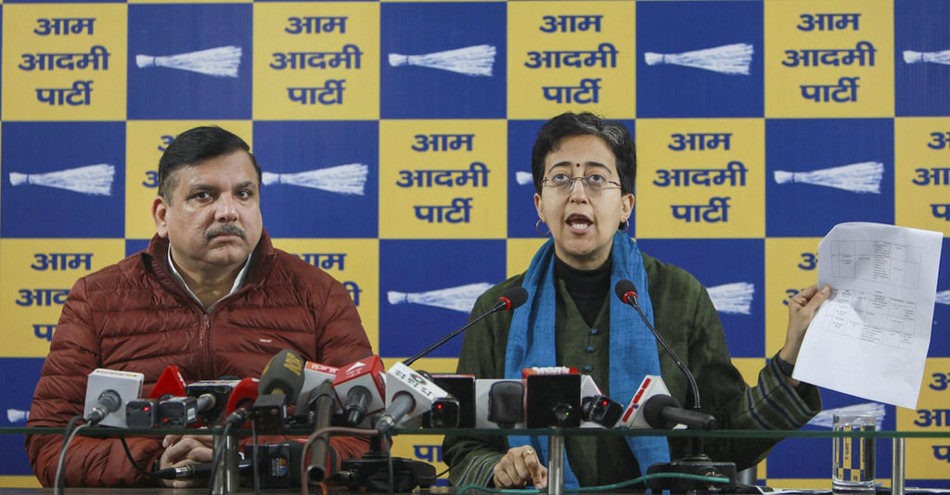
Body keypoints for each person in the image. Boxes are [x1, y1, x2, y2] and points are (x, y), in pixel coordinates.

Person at [443, 112, 829, 489]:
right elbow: (463, 446)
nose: (577, 193)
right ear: (540, 205)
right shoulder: (500, 309)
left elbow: (723, 437)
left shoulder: (679, 296)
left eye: (596, 178)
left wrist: (790, 360)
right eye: (560, 178)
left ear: (625, 205)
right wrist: (498, 468)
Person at [25, 126, 374, 487]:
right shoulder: (97, 298)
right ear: (163, 216)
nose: (228, 211)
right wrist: (157, 463)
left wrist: (242, 460)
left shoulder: (319, 294)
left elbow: (365, 437)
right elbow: (50, 443)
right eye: (204, 195)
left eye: (243, 194)